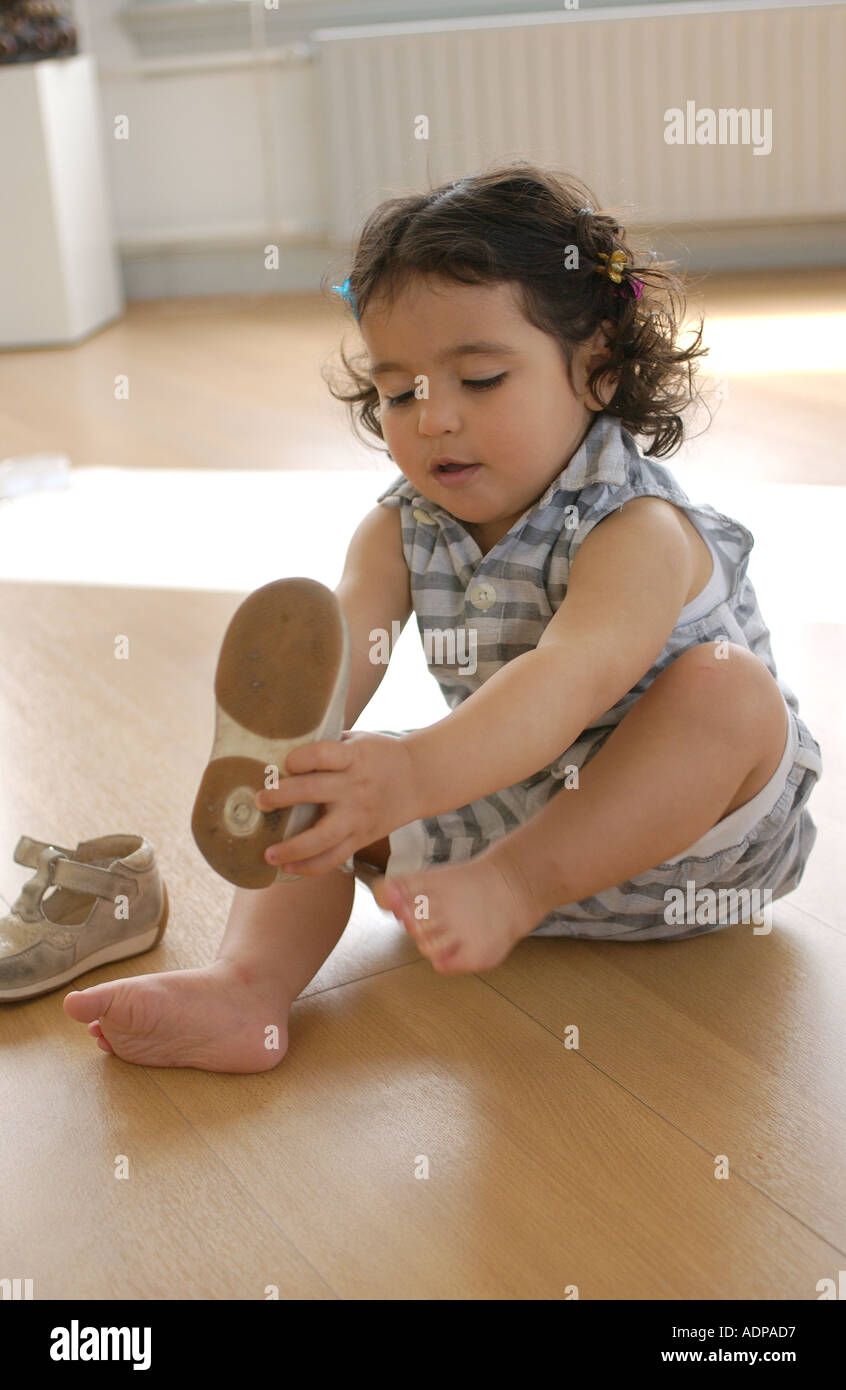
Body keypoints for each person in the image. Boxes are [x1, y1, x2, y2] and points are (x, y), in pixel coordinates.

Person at [64, 162, 822, 1072]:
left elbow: (571, 675)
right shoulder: (396, 531)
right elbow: (343, 648)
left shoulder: (636, 527)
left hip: (692, 847)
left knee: (731, 695)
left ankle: (517, 883)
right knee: (330, 794)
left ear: (597, 371)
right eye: (398, 392)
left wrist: (417, 773)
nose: (433, 420)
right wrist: (301, 763)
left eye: (482, 378)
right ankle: (248, 990)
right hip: (496, 826)